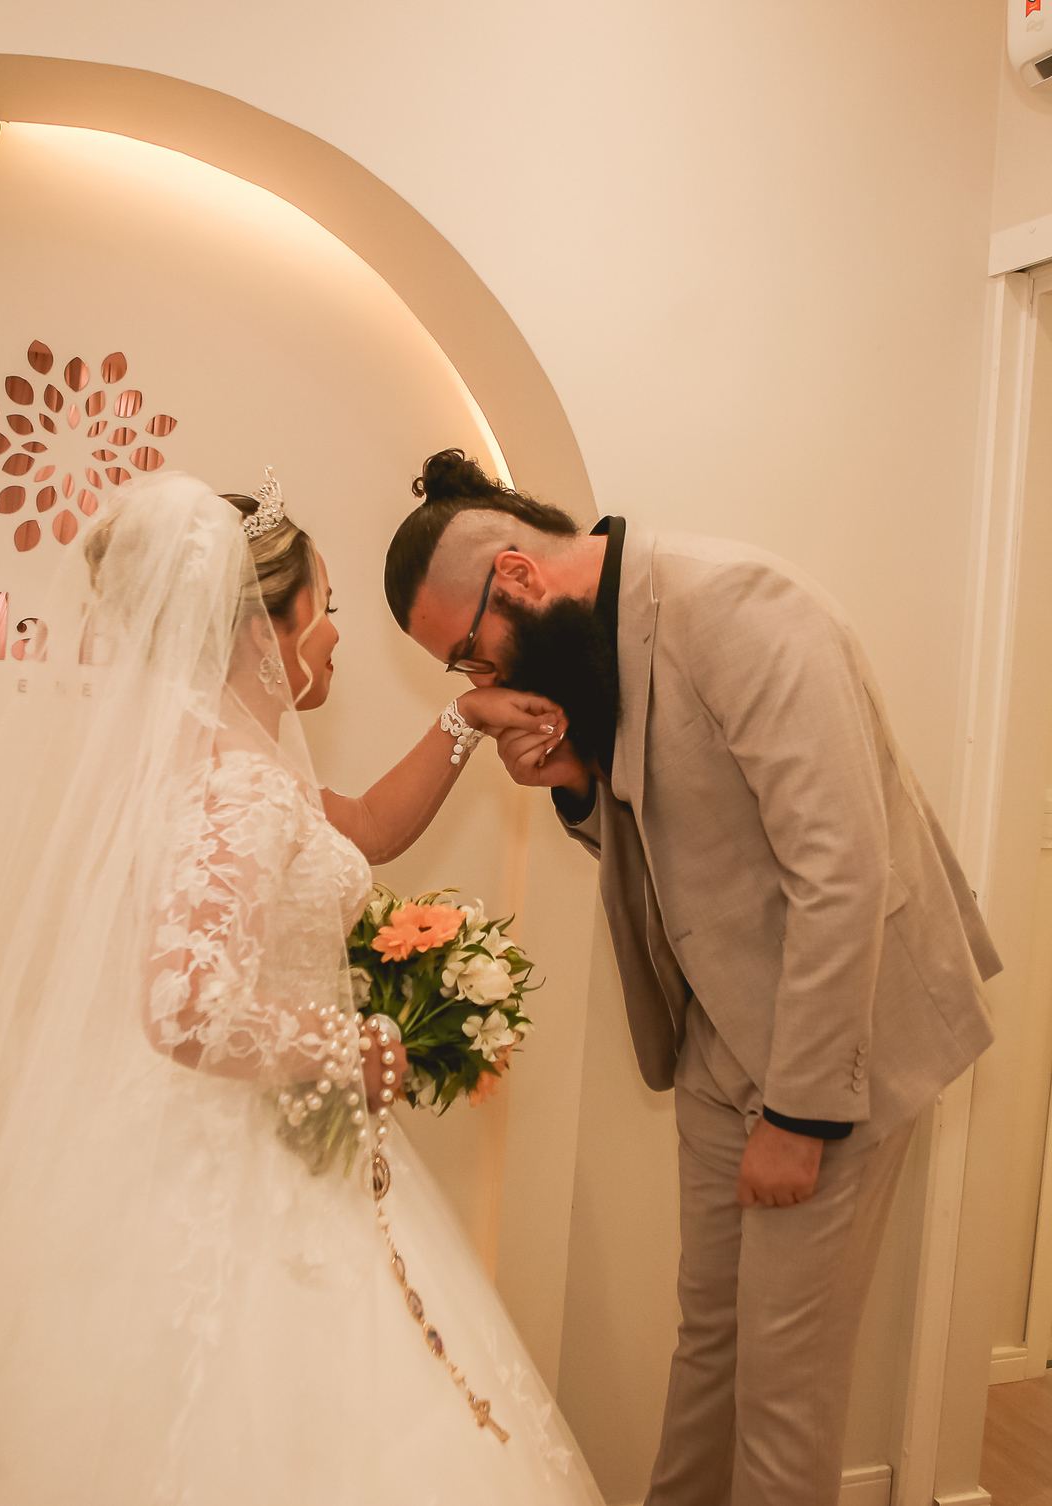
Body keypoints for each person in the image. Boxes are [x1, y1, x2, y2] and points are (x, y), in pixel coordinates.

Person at [0, 470, 604, 1506]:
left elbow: (364, 830)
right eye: (325, 608)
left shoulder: (227, 765)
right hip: (231, 1165)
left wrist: (465, 717)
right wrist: (357, 1047)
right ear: (263, 632)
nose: (334, 635)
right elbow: (188, 1009)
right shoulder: (238, 784)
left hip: (204, 1133)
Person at [384, 448, 1001, 1506]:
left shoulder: (742, 608)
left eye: (469, 657)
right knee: (709, 1348)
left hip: (831, 1049)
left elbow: (843, 871)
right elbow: (674, 853)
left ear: (518, 578)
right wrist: (578, 790)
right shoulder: (599, 643)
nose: (483, 685)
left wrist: (801, 1115)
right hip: (721, 1042)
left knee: (784, 1388)